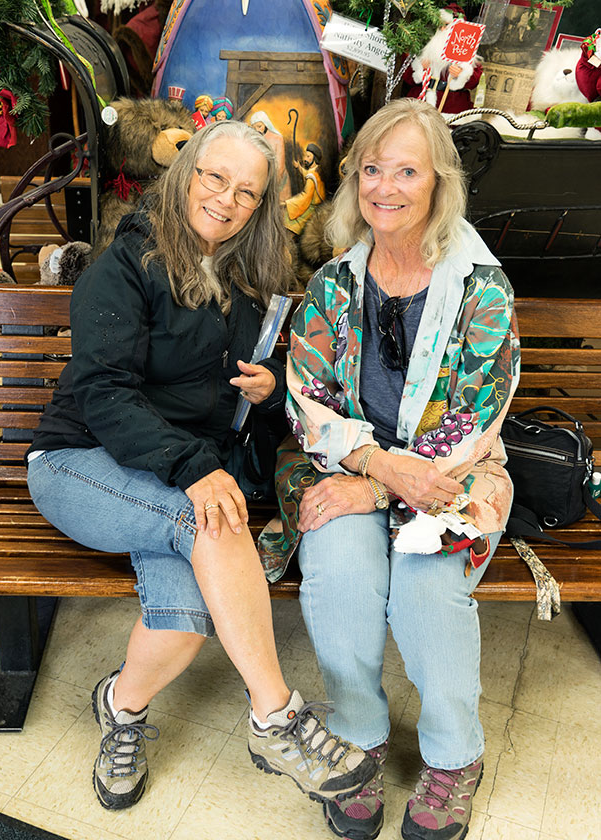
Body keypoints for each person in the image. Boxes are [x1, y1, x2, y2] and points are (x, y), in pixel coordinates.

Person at [26, 121, 375, 812]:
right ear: (186, 171)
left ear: (260, 204)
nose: (227, 199)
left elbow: (247, 390)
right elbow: (103, 393)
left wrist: (270, 386)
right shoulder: (123, 266)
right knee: (211, 516)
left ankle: (119, 708)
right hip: (81, 460)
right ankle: (277, 718)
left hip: (172, 478)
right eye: (215, 178)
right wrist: (195, 467)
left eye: (247, 191)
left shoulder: (250, 278)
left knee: (185, 620)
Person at [258, 99, 520, 840]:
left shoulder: (481, 289)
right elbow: (306, 400)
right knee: (340, 572)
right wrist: (370, 465)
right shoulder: (334, 284)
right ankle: (360, 739)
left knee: (424, 588)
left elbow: (476, 420)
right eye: (372, 169)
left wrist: (381, 482)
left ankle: (452, 755)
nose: (385, 187)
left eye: (407, 170)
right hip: (347, 466)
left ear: (439, 182)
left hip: (454, 476)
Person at [284, 141, 326, 236]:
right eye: (305, 156)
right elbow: (307, 174)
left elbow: (305, 198)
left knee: (287, 220)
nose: (305, 159)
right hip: (316, 206)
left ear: (314, 158)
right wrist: (299, 167)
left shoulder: (312, 176)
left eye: (308, 157)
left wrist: (287, 203)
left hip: (311, 209)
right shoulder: (316, 170)